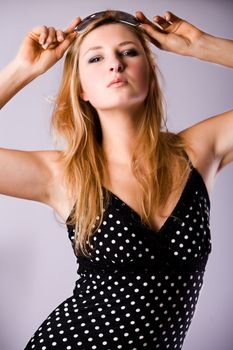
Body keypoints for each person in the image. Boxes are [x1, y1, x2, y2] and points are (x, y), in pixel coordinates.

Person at [0, 9, 232, 350]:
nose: (115, 64)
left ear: (150, 71)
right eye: (96, 58)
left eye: (129, 51)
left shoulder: (199, 151)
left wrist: (201, 45)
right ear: (81, 90)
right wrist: (22, 69)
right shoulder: (64, 174)